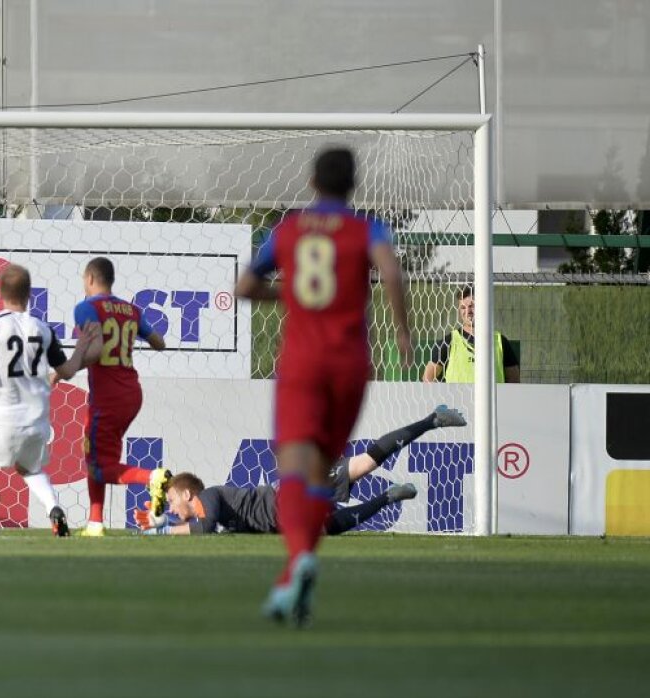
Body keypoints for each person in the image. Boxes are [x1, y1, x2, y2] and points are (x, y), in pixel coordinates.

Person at [235, 147, 412, 627]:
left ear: (312, 182)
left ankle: (298, 562)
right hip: (351, 365)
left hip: (302, 364)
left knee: (294, 469)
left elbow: (245, 287)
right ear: (353, 185)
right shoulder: (367, 228)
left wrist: (285, 292)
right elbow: (391, 269)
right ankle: (295, 580)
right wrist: (402, 331)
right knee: (322, 476)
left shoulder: (290, 228)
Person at [135, 406, 466, 535]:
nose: (173, 507)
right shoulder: (218, 513)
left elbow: (203, 527)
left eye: (172, 500)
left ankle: (431, 420)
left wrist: (160, 528)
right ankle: (388, 498)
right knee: (329, 528)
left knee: (365, 464)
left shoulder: (210, 497)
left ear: (188, 494)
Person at [0, 264, 99, 537]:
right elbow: (66, 371)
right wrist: (80, 348)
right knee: (29, 468)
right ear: (30, 293)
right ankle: (54, 507)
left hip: (0, 417)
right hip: (36, 421)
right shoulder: (42, 329)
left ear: (0, 291)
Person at [72, 257, 171, 537]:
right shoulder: (131, 310)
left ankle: (151, 477)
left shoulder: (86, 308)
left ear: (90, 278)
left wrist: (66, 368)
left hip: (107, 396)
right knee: (98, 456)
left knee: (100, 466)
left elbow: (93, 348)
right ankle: (95, 523)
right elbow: (159, 343)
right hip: (131, 393)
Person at [423, 285, 520, 384]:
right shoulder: (449, 342)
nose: (468, 311)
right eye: (463, 307)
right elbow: (428, 379)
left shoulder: (500, 341)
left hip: (491, 399)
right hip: (458, 399)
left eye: (471, 306)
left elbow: (514, 380)